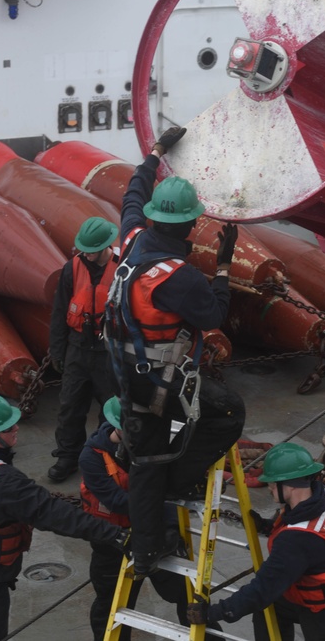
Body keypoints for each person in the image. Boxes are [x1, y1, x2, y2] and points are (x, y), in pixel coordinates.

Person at [106, 126, 245, 576]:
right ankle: (178, 479)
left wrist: (155, 152)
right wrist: (223, 265)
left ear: (150, 218)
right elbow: (213, 316)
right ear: (189, 225)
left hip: (125, 374)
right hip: (163, 387)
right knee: (223, 413)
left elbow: (133, 192)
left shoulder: (130, 241)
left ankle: (147, 546)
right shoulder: (178, 276)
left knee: (145, 453)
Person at [0, 392, 130, 641]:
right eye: (7, 428)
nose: (16, 428)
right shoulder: (2, 482)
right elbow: (54, 514)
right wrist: (116, 534)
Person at [79, 397, 224, 641]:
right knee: (111, 605)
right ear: (120, 428)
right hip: (113, 542)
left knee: (188, 596)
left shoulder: (150, 446)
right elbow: (117, 501)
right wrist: (159, 499)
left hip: (157, 533)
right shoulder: (92, 458)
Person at [186, 443, 325, 641]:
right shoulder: (322, 494)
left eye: (272, 482)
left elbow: (263, 588)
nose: (269, 487)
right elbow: (310, 537)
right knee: (268, 609)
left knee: (264, 599)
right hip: (320, 594)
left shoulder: (297, 541)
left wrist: (214, 613)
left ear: (288, 484)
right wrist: (268, 526)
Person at [48, 216, 121, 482]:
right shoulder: (72, 268)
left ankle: (106, 456)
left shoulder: (122, 269)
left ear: (106, 246)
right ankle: (67, 456)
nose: (88, 255)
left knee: (110, 408)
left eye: (92, 250)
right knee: (70, 405)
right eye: (84, 250)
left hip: (109, 350)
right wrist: (57, 351)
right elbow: (59, 312)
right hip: (78, 347)